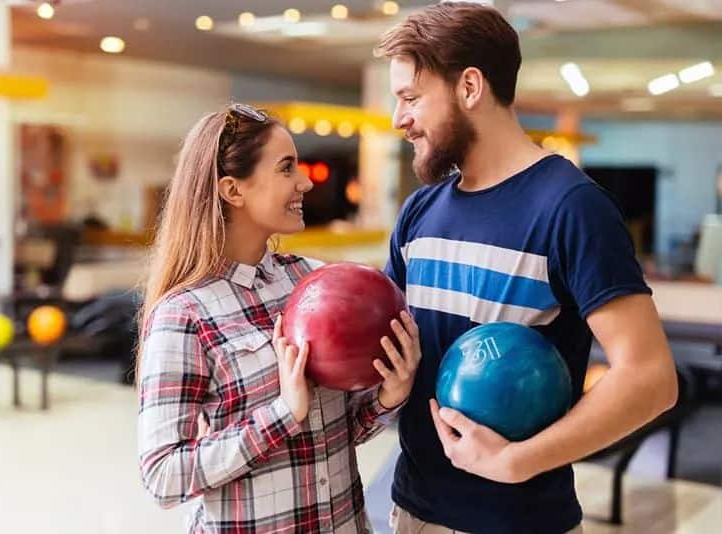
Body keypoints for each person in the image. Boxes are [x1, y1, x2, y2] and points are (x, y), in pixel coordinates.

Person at [374, 3, 678, 533]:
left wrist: (519, 461)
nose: (400, 118)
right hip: (410, 511)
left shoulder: (571, 207)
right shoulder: (419, 212)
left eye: (410, 98)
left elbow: (650, 378)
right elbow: (390, 348)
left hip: (520, 521)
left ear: (470, 87)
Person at [136, 103, 421, 533]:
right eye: (287, 168)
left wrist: (387, 397)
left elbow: (338, 433)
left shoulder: (310, 280)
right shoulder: (184, 314)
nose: (305, 182)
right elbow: (163, 476)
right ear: (233, 190)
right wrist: (282, 414)